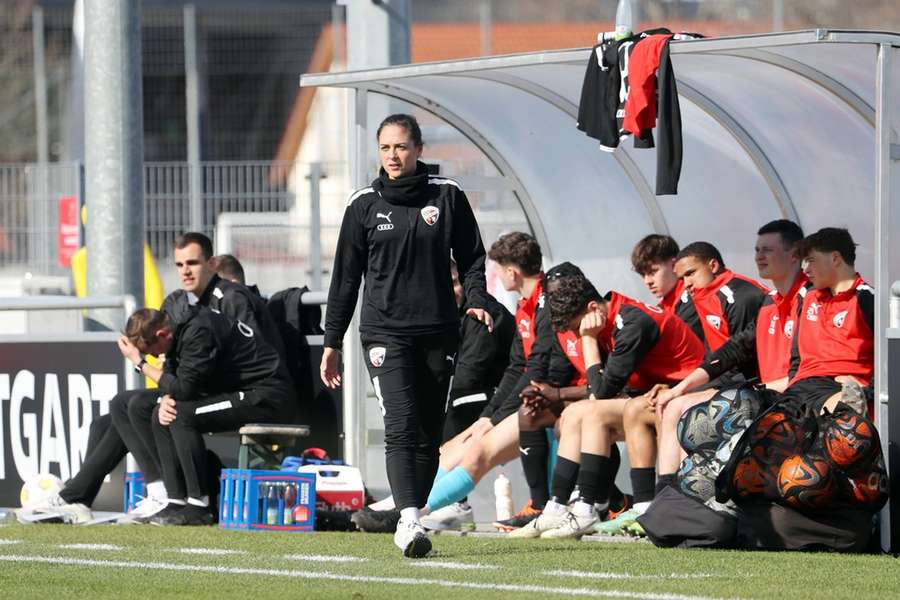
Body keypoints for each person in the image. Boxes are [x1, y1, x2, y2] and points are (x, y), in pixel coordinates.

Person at [320, 113, 492, 558]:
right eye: (385, 148)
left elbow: (473, 256)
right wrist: (331, 342)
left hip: (438, 331)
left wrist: (476, 298)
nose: (392, 156)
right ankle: (410, 520)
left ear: (418, 150)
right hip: (383, 333)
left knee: (427, 430)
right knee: (399, 423)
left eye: (400, 147)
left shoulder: (446, 196)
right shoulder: (363, 204)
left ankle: (413, 511)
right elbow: (344, 280)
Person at [512, 272, 705, 539]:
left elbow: (600, 393)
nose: (576, 334)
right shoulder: (609, 318)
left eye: (576, 327)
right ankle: (559, 507)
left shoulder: (632, 322)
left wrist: (588, 339)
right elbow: (599, 389)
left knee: (589, 411)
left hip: (691, 398)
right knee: (578, 412)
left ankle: (594, 509)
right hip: (656, 398)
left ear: (592, 309)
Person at [597, 239, 770, 535]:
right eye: (683, 277)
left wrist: (681, 388)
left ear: (712, 266)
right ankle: (644, 506)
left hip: (751, 389)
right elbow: (709, 355)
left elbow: (740, 354)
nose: (686, 283)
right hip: (715, 383)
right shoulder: (694, 297)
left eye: (689, 273)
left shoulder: (737, 295)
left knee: (669, 407)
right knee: (639, 409)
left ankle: (675, 501)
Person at [644, 220, 808, 512]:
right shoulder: (771, 302)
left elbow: (801, 368)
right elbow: (732, 350)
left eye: (768, 249)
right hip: (762, 391)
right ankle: (665, 499)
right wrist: (678, 387)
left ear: (795, 253)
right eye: (757, 249)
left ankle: (685, 499)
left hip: (786, 396)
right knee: (668, 404)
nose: (759, 256)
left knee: (684, 408)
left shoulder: (788, 299)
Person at [116, 306, 294, 525]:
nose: (154, 356)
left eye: (151, 351)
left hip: (263, 394)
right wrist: (165, 397)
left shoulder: (198, 330)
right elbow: (176, 376)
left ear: (162, 334)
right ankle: (174, 499)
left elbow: (185, 389)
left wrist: (141, 364)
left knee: (180, 415)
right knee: (152, 411)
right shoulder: (177, 325)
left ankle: (199, 506)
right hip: (229, 389)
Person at [780, 227, 873, 414]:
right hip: (800, 389)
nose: (805, 269)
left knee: (840, 409)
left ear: (835, 258)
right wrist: (793, 382)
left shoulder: (867, 298)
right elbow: (797, 357)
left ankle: (847, 411)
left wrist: (869, 391)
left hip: (837, 386)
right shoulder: (808, 298)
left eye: (811, 261)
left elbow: (889, 357)